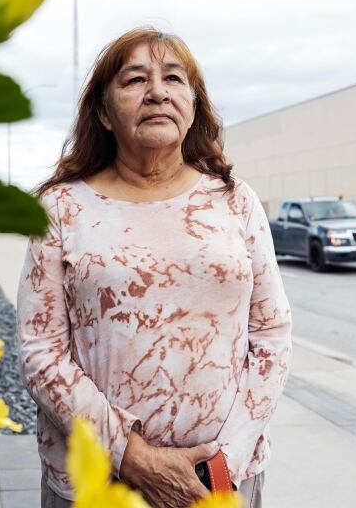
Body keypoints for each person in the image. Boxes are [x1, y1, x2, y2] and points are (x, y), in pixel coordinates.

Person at [17, 27, 292, 508]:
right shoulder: (60, 207)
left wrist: (223, 462)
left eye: (173, 78)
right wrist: (132, 456)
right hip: (97, 485)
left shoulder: (235, 201)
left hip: (221, 482)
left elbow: (271, 334)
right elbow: (42, 352)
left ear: (193, 106)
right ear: (103, 112)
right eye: (135, 79)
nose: (158, 91)